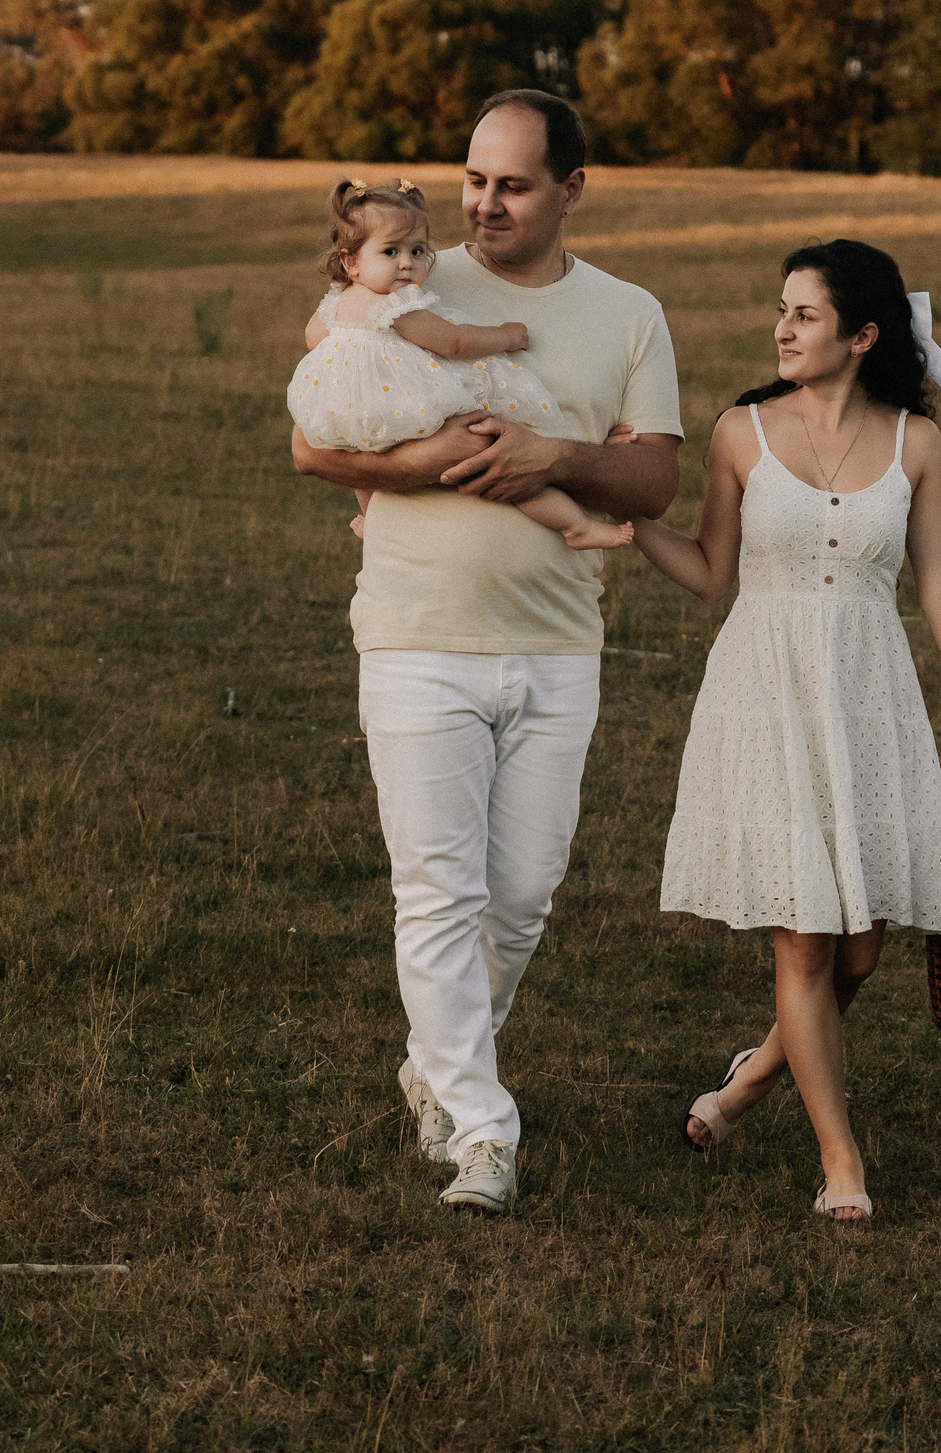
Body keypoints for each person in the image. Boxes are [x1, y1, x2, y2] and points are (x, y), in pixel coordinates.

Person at [289, 92, 683, 1215]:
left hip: (560, 644)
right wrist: (449, 463)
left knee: (520, 895)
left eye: (511, 184)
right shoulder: (403, 277)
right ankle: (482, 1130)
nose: (482, 204)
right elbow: (313, 444)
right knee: (437, 890)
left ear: (571, 189)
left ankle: (434, 1061)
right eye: (473, 180)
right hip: (415, 636)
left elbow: (653, 479)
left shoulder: (629, 313)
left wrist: (550, 451)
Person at [624, 238, 941, 1222]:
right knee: (806, 944)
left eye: (805, 315)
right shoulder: (741, 432)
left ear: (861, 335)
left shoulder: (916, 443)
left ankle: (744, 1082)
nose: (781, 328)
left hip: (866, 696)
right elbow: (708, 574)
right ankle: (841, 1167)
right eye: (780, 310)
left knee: (860, 953)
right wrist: (628, 530)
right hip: (763, 693)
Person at [288, 177, 632, 551]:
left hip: (355, 406)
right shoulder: (396, 306)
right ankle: (574, 524)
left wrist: (350, 364)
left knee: (359, 447)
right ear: (350, 261)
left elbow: (313, 337)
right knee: (491, 453)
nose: (407, 264)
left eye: (417, 251)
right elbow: (452, 342)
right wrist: (505, 336)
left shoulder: (337, 301)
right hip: (404, 401)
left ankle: (373, 517)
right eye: (391, 252)